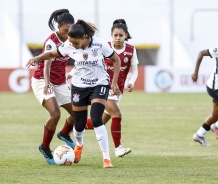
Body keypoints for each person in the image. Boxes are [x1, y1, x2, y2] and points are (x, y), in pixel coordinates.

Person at [27, 19, 121, 168]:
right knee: (79, 123)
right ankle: (78, 145)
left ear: (84, 37)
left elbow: (116, 60)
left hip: (99, 84)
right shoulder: (69, 44)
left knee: (97, 119)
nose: (73, 46)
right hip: (79, 86)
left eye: (75, 43)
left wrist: (114, 82)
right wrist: (37, 58)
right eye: (71, 43)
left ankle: (106, 158)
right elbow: (51, 54)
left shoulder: (100, 43)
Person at [83, 19, 139, 157]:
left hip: (118, 91)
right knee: (117, 114)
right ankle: (118, 148)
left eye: (121, 35)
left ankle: (73, 126)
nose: (118, 38)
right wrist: (72, 73)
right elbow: (89, 61)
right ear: (111, 35)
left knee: (99, 121)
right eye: (115, 35)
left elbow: (135, 70)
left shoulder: (131, 50)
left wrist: (131, 82)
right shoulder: (104, 47)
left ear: (126, 35)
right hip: (102, 86)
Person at [30, 9, 75, 165]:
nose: (67, 33)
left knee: (78, 112)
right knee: (55, 114)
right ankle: (45, 147)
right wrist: (47, 84)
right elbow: (47, 64)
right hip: (43, 80)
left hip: (60, 82)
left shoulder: (72, 39)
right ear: (58, 26)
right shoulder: (51, 41)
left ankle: (64, 134)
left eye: (70, 30)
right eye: (65, 30)